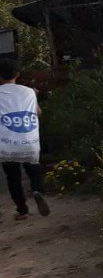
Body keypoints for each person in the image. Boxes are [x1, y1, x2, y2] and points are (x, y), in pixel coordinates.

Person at [0, 59, 48, 220]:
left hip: (7, 145)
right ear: (17, 74)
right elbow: (38, 113)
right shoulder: (29, 92)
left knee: (13, 178)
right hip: (29, 142)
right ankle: (37, 191)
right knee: (34, 171)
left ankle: (22, 210)